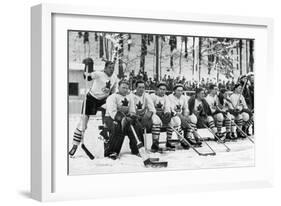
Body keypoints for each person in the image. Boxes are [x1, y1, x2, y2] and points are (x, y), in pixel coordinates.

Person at [69, 60, 118, 157]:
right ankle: (74, 146)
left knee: (111, 112)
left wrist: (111, 100)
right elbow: (87, 77)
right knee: (83, 124)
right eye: (110, 68)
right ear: (105, 68)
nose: (111, 70)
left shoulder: (114, 77)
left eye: (113, 68)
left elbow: (112, 92)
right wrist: (86, 68)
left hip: (104, 100)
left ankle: (104, 131)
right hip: (91, 99)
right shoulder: (99, 74)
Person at [103, 80, 141, 160]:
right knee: (118, 124)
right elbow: (112, 112)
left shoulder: (130, 97)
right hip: (111, 119)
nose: (125, 90)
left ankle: (136, 149)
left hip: (126, 118)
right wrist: (123, 118)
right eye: (123, 88)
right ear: (118, 87)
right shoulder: (112, 97)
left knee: (136, 124)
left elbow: (132, 110)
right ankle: (112, 151)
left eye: (127, 88)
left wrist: (132, 116)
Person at [132, 80, 162, 150]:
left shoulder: (146, 95)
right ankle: (137, 148)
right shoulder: (131, 96)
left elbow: (152, 109)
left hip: (145, 117)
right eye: (139, 87)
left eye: (143, 87)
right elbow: (130, 110)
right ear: (135, 88)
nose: (141, 89)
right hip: (135, 117)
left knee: (156, 120)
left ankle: (155, 143)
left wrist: (148, 115)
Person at [168, 84, 200, 148]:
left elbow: (186, 108)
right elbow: (170, 109)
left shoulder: (183, 97)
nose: (180, 92)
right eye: (178, 90)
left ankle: (188, 137)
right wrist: (179, 115)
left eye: (181, 91)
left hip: (181, 115)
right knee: (177, 120)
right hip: (172, 115)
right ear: (174, 90)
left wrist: (186, 115)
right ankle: (181, 140)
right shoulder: (170, 97)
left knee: (192, 118)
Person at [149, 82, 173, 152]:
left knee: (171, 122)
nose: (162, 91)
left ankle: (169, 141)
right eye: (161, 89)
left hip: (162, 115)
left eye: (164, 89)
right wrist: (157, 114)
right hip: (153, 114)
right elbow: (151, 107)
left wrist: (167, 113)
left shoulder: (166, 97)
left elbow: (167, 107)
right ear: (157, 89)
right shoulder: (152, 96)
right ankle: (155, 142)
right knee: (156, 121)